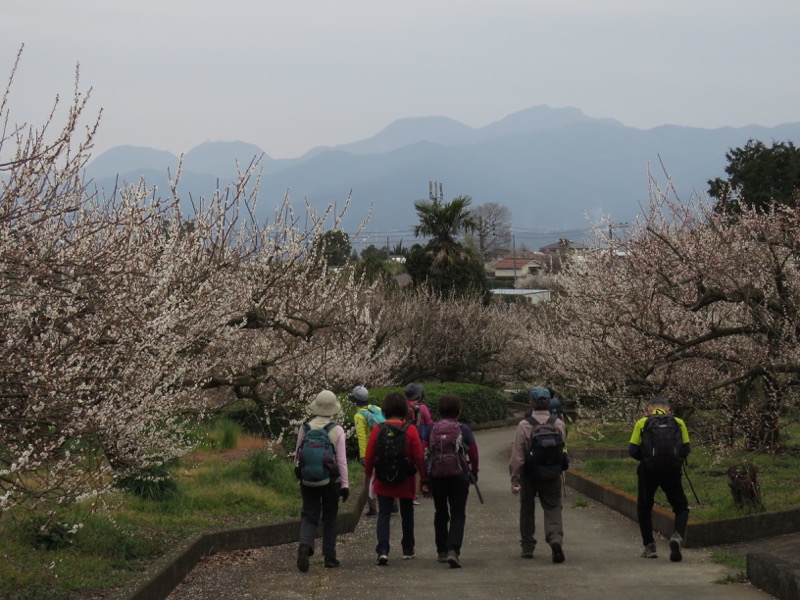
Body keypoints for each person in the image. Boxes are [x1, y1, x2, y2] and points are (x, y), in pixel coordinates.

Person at [365, 391, 427, 566]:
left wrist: (370, 474)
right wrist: (424, 478)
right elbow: (419, 456)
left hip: (384, 477)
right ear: (404, 410)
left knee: (384, 514)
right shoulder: (411, 429)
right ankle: (408, 548)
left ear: (385, 409)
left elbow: (369, 455)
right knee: (407, 513)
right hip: (405, 479)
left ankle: (383, 550)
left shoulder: (378, 429)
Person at [508, 386, 567, 563]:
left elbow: (517, 456)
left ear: (530, 403)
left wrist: (515, 478)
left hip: (530, 473)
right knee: (553, 506)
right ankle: (555, 539)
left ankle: (527, 546)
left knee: (527, 508)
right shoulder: (559, 423)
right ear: (549, 403)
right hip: (552, 473)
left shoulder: (524, 425)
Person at [628, 396, 691, 562]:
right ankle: (677, 536)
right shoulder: (678, 422)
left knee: (644, 506)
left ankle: (649, 546)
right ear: (668, 409)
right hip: (672, 471)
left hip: (648, 471)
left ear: (649, 409)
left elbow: (633, 450)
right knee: (681, 506)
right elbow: (686, 449)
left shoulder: (642, 423)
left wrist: (647, 459)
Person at [294, 390, 350, 572]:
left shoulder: (305, 427)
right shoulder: (337, 430)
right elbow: (341, 460)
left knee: (309, 515)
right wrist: (345, 484)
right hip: (331, 481)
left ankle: (305, 543)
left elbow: (297, 454)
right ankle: (330, 556)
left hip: (308, 479)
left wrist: (300, 473)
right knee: (330, 518)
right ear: (333, 409)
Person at [424, 394, 479, 568]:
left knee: (440, 513)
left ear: (439, 411)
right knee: (458, 513)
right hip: (459, 476)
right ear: (458, 410)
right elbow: (474, 453)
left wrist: (425, 478)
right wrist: (474, 472)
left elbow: (423, 453)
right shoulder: (463, 429)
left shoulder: (431, 429)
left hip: (436, 476)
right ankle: (453, 550)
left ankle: (441, 550)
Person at [350, 385, 382, 517]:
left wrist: (363, 456)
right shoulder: (377, 409)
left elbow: (362, 437)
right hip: (384, 447)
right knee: (386, 476)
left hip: (371, 449)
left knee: (370, 478)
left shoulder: (359, 415)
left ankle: (373, 509)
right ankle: (394, 506)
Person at [404, 382, 433, 503]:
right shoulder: (422, 407)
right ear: (419, 395)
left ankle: (410, 493)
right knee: (420, 464)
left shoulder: (405, 406)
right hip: (420, 439)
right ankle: (417, 492)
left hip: (405, 439)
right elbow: (429, 423)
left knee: (410, 465)